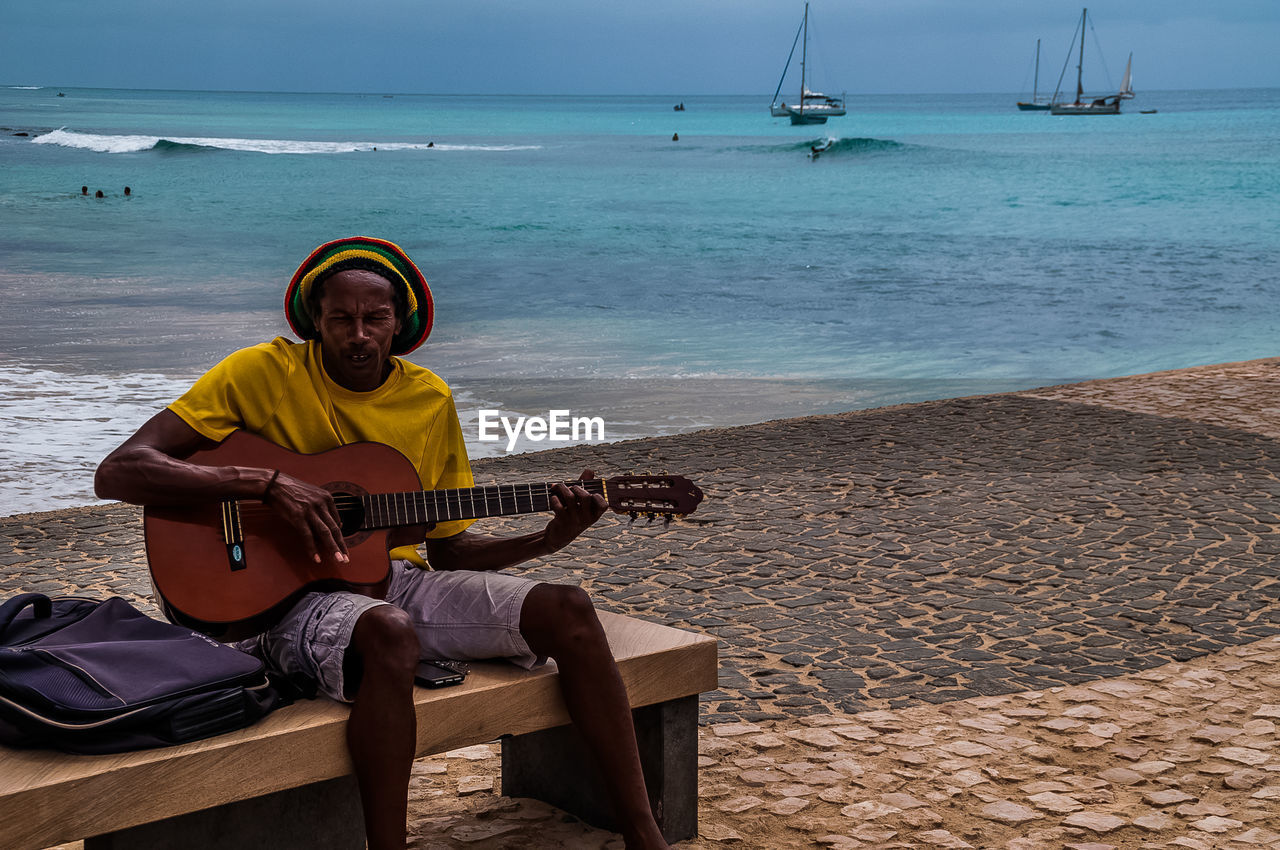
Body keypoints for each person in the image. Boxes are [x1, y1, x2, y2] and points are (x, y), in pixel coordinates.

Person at [95, 236, 672, 850]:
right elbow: (120, 471)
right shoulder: (262, 373)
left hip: (387, 582)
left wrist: (547, 539)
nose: (359, 335)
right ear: (316, 321)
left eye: (375, 319)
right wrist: (265, 483)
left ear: (401, 325)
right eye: (341, 318)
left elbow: (447, 551)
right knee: (389, 630)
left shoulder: (428, 399)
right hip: (277, 601)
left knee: (570, 610)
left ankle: (642, 833)